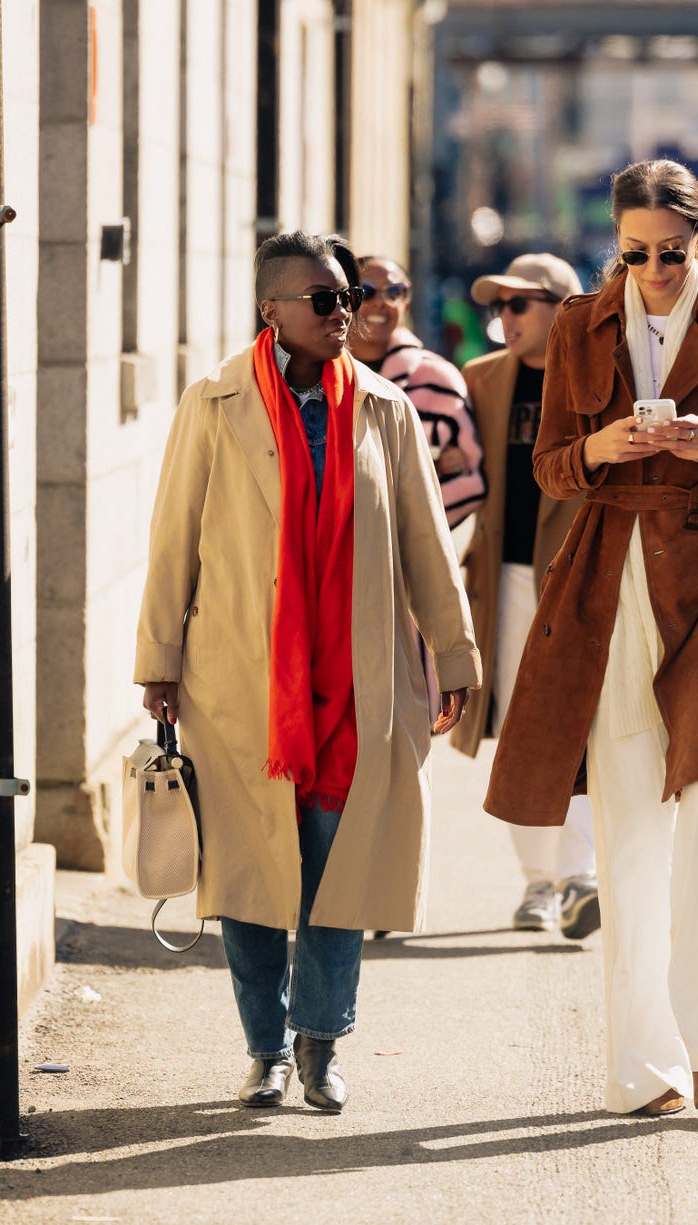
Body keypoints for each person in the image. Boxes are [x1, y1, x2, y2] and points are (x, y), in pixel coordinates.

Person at [484, 160, 698, 1116]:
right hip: (614, 574)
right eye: (635, 254)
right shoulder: (583, 322)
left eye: (671, 251)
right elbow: (549, 469)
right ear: (614, 247)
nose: (655, 270)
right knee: (627, 822)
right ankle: (647, 1062)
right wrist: (602, 447)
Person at [134, 231, 481, 1114]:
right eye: (325, 300)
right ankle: (264, 1050)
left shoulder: (383, 408)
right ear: (272, 311)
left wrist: (455, 655)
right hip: (239, 682)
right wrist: (159, 663)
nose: (347, 313)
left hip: (358, 684)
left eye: (351, 295)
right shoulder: (211, 404)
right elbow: (174, 541)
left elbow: (426, 545)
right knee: (250, 875)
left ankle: (320, 1043)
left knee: (338, 869)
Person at [449, 254, 600, 942]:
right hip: (503, 580)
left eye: (519, 305)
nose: (502, 319)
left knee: (580, 730)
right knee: (517, 729)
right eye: (498, 306)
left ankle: (578, 876)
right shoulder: (480, 379)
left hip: (579, 579)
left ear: (561, 308)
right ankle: (542, 882)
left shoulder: (603, 380)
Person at [348, 254, 485, 723]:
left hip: (404, 582)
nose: (383, 304)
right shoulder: (313, 375)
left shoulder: (435, 379)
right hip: (325, 574)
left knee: (397, 725)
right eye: (368, 291)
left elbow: (470, 477)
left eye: (397, 292)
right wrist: (421, 467)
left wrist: (393, 513)